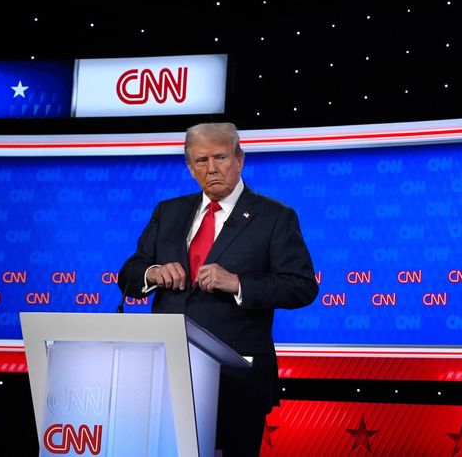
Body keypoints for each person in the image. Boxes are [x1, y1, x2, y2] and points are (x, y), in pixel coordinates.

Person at [118, 122, 318, 457]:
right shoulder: (168, 211)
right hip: (167, 373)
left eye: (221, 157)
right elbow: (129, 273)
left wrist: (238, 283)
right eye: (201, 160)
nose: (211, 168)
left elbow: (302, 286)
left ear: (239, 159)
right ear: (189, 166)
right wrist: (154, 273)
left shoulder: (275, 217)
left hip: (237, 378)